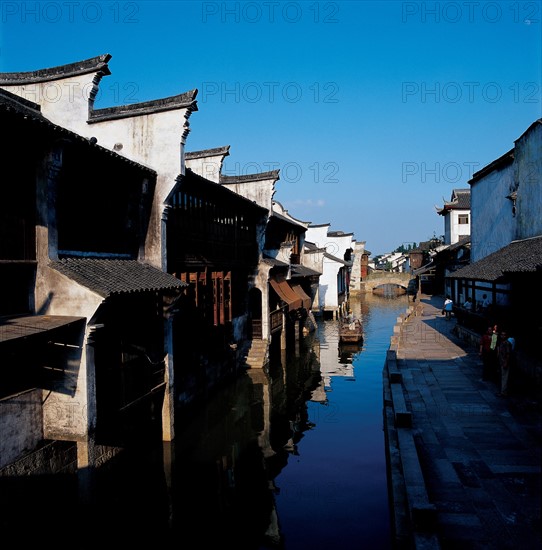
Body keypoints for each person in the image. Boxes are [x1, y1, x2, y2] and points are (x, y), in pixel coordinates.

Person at [497, 330, 512, 397]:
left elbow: (508, 354)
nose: (503, 336)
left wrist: (506, 362)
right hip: (501, 361)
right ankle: (503, 391)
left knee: (504, 377)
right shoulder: (501, 342)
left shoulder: (507, 343)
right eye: (502, 335)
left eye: (504, 335)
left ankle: (503, 392)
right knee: (503, 377)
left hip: (504, 362)